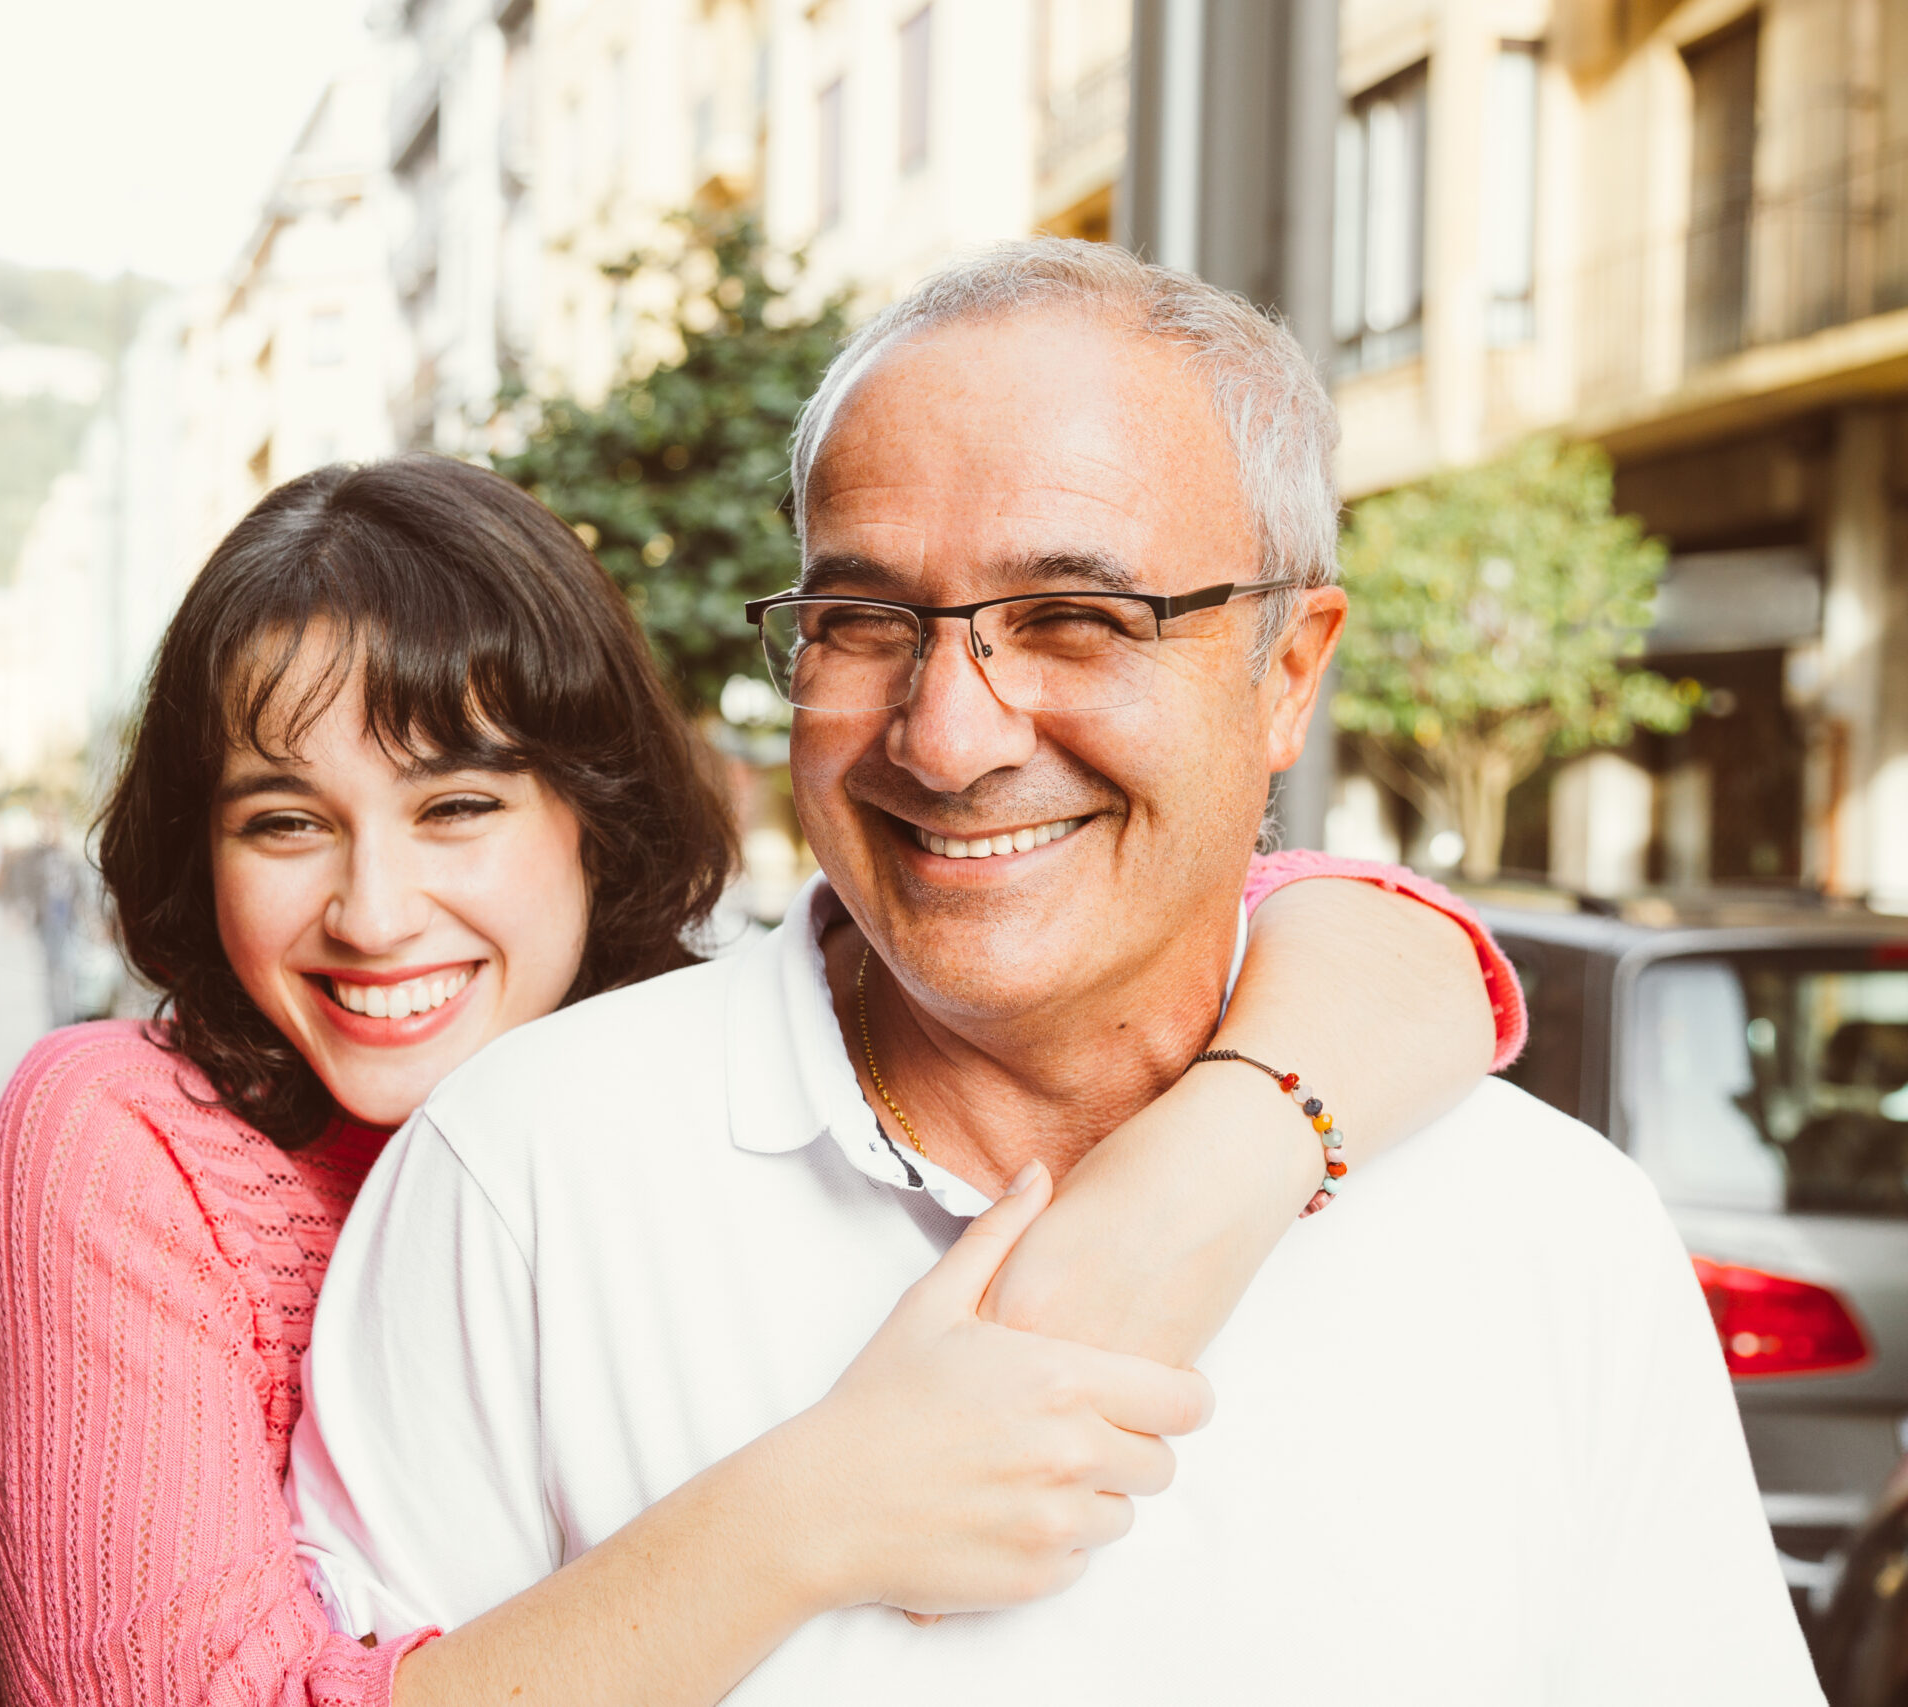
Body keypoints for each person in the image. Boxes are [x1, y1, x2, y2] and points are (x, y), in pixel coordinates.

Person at [288, 244, 1821, 1704]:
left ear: (1289, 670)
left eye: (1077, 619)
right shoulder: (528, 1180)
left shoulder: (1548, 1234)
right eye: (863, 621)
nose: (950, 738)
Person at [0, 452, 1522, 1707]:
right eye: (283, 822)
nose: (372, 910)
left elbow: (1348, 924)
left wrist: (1220, 1159)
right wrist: (824, 1501)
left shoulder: (655, 1093)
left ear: (588, 814)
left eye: (457, 807)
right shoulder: (120, 1135)